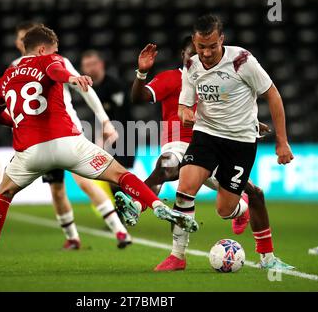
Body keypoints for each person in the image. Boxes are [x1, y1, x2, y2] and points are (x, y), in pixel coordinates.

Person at [0, 26, 198, 274]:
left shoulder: (6, 75)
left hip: (29, 152)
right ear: (42, 50)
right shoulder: (49, 60)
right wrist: (72, 78)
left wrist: (16, 122)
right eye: (54, 49)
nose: (57, 53)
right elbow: (57, 71)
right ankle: (156, 205)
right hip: (67, 142)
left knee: (3, 195)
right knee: (119, 174)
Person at [116, 14, 295, 271]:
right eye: (202, 47)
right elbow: (184, 107)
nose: (207, 53)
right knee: (184, 187)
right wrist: (185, 114)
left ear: (222, 39)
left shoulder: (242, 61)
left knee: (224, 209)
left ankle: (254, 235)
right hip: (205, 136)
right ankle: (177, 256)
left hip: (239, 142)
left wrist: (282, 142)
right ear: (194, 43)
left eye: (212, 46)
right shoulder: (191, 66)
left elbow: (273, 95)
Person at [15, 22, 130, 250]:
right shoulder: (14, 68)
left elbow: (84, 89)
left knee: (86, 183)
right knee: (56, 189)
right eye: (19, 38)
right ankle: (72, 238)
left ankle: (120, 231)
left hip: (68, 135)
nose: (21, 41)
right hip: (40, 141)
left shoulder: (59, 62)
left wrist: (105, 120)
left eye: (24, 37)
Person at [80, 50, 136, 195]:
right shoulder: (89, 89)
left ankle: (126, 211)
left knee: (118, 179)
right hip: (105, 139)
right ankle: (121, 213)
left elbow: (122, 117)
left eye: (93, 63)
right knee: (112, 182)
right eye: (87, 65)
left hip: (124, 137)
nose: (91, 68)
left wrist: (105, 139)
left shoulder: (115, 86)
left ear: (101, 64)